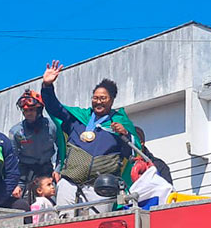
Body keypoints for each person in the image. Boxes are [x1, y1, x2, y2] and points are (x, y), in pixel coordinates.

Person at [40, 61, 140, 207]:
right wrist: (47, 86)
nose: (98, 101)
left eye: (103, 98)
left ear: (112, 100)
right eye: (95, 98)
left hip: (101, 188)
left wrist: (125, 134)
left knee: (96, 226)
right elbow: (55, 108)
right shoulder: (79, 118)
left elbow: (132, 152)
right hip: (70, 183)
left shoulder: (120, 123)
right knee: (64, 224)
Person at [9, 89, 60, 190]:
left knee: (51, 196)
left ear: (39, 110)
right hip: (24, 171)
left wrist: (58, 169)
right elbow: (12, 158)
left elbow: (63, 149)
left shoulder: (53, 126)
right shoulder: (16, 132)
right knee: (17, 197)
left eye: (31, 110)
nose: (28, 113)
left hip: (46, 169)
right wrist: (14, 181)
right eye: (25, 111)